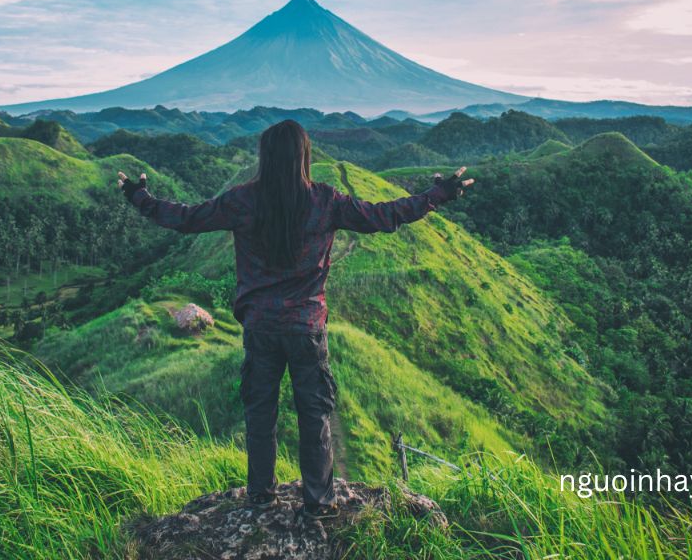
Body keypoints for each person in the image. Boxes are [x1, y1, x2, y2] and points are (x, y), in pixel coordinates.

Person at [116, 119, 472, 520]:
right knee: (315, 414)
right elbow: (383, 215)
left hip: (261, 327)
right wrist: (437, 195)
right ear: (304, 156)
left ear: (265, 157)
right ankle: (319, 503)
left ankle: (260, 497)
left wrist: (139, 197)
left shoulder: (242, 200)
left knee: (260, 412)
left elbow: (186, 218)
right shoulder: (325, 200)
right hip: (306, 327)